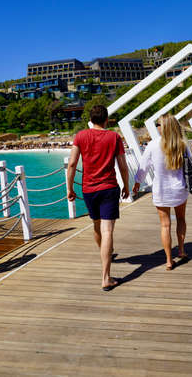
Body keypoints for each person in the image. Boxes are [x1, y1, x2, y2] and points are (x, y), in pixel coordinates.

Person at [67, 105, 129, 291]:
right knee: (108, 230)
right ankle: (106, 277)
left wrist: (69, 188)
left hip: (89, 189)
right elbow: (123, 166)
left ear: (91, 119)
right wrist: (126, 185)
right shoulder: (114, 137)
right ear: (106, 119)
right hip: (109, 188)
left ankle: (105, 254)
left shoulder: (80, 136)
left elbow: (71, 164)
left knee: (97, 225)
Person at [132, 113, 192, 270]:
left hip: (161, 190)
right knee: (181, 219)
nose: (157, 127)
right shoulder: (182, 145)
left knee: (165, 225)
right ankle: (181, 250)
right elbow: (191, 166)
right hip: (180, 189)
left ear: (164, 127)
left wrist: (137, 182)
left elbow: (143, 167)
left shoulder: (152, 145)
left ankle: (168, 260)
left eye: (159, 125)